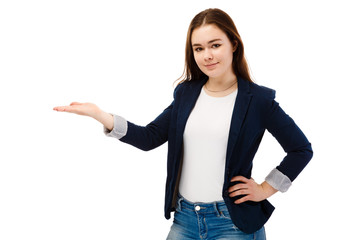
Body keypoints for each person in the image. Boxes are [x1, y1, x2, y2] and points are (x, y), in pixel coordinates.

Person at [54, 8, 313, 240]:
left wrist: (265, 189)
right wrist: (100, 114)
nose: (207, 55)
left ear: (233, 44)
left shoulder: (258, 100)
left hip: (232, 223)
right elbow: (150, 137)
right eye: (198, 48)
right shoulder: (186, 94)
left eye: (215, 45)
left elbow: (301, 149)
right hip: (185, 218)